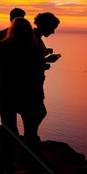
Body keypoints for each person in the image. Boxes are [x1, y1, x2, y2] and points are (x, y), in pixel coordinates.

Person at [0, 16, 44, 168]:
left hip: (6, 93)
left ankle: (8, 166)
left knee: (9, 131)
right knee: (30, 131)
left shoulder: (2, 45)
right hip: (27, 94)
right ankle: (29, 164)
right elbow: (36, 73)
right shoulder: (31, 49)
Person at [27, 12, 62, 142]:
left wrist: (45, 55)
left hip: (37, 83)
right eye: (52, 28)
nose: (53, 32)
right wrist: (47, 60)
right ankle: (30, 138)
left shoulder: (36, 37)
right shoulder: (33, 38)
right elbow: (27, 61)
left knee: (37, 113)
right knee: (38, 113)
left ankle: (31, 137)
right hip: (31, 84)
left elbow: (34, 57)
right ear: (46, 25)